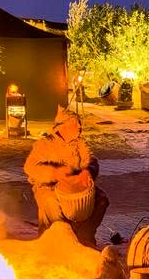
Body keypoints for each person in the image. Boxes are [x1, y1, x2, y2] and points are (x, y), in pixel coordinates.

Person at [23, 105, 109, 247]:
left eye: (79, 123)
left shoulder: (79, 144)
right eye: (75, 124)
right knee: (53, 207)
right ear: (62, 127)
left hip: (75, 186)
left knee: (102, 199)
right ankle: (57, 244)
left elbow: (92, 160)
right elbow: (29, 167)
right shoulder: (45, 144)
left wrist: (88, 171)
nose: (80, 127)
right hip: (47, 188)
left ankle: (84, 238)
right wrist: (55, 173)